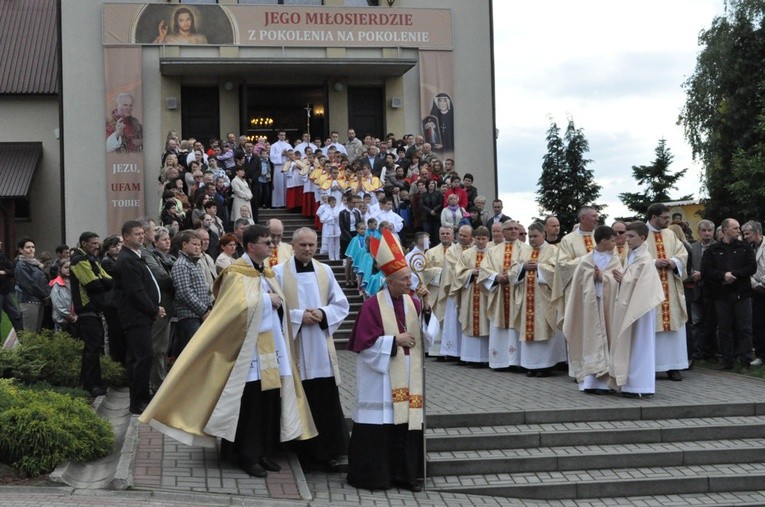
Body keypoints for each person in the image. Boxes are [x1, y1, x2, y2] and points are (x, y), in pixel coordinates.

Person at [139, 225, 317, 478]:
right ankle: (247, 455)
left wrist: (276, 303)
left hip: (271, 349)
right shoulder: (235, 273)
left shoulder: (266, 272)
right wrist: (269, 301)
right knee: (250, 406)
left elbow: (277, 305)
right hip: (248, 353)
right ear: (251, 246)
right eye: (266, 242)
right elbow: (235, 311)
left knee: (268, 403)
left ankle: (263, 452)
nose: (271, 246)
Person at [346, 228, 429, 492]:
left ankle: (407, 476)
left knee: (406, 427)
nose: (410, 284)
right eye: (405, 279)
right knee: (382, 427)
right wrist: (395, 341)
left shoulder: (412, 303)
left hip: (407, 374)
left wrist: (426, 307)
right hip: (381, 378)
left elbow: (427, 334)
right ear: (390, 280)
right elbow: (364, 346)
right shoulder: (372, 306)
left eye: (410, 279)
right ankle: (376, 477)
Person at [273, 228, 350, 472]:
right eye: (303, 245)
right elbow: (273, 307)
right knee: (299, 398)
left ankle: (330, 452)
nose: (308, 249)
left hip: (320, 347)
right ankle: (301, 453)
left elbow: (341, 304)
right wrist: (298, 317)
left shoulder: (324, 271)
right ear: (293, 246)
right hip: (294, 347)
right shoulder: (279, 273)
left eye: (312, 245)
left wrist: (323, 313)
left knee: (325, 400)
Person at [113, 221, 166, 415]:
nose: (141, 236)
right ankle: (138, 401)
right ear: (126, 237)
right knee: (141, 358)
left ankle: (142, 396)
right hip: (136, 317)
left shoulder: (136, 256)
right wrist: (153, 309)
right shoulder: (126, 259)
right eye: (137, 234)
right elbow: (136, 291)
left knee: (142, 357)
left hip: (142, 316)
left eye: (142, 233)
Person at [609, 221, 666, 398]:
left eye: (631, 236)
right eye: (627, 235)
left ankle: (641, 385)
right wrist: (624, 280)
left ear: (642, 238)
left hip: (640, 309)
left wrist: (623, 279)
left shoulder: (645, 259)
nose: (627, 239)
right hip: (631, 305)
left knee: (640, 346)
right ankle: (629, 384)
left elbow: (643, 285)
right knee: (630, 344)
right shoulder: (632, 255)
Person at [564, 225, 622, 394]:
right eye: (612, 240)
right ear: (603, 241)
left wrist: (603, 279)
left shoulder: (615, 258)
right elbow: (579, 285)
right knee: (590, 340)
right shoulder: (586, 261)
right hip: (589, 309)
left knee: (609, 340)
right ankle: (590, 382)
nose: (616, 243)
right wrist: (594, 278)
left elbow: (615, 278)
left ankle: (607, 382)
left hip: (608, 307)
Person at [701, 218, 756, 370]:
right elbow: (706, 270)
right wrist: (723, 275)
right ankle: (727, 361)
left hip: (742, 294)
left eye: (739, 228)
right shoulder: (713, 250)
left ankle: (746, 361)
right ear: (725, 230)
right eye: (735, 228)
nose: (739, 231)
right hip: (721, 295)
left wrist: (735, 274)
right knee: (724, 329)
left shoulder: (745, 248)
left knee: (745, 328)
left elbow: (752, 267)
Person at [514, 222, 567, 377]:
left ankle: (545, 366)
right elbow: (513, 270)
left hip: (545, 299)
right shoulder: (524, 251)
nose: (532, 239)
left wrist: (539, 267)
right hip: (527, 298)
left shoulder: (553, 251)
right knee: (529, 331)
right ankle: (530, 365)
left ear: (543, 235)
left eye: (535, 236)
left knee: (544, 329)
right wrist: (522, 268)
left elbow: (557, 271)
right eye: (530, 236)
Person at [645, 203, 689, 381]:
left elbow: (682, 254)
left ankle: (673, 366)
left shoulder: (670, 234)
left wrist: (674, 262)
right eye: (665, 218)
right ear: (654, 217)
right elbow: (631, 258)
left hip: (670, 287)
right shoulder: (641, 233)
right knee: (651, 327)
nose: (668, 221)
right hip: (650, 290)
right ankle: (651, 367)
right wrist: (653, 263)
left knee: (673, 327)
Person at [479, 221, 528, 370]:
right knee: (500, 325)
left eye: (515, 229)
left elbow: (526, 265)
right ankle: (500, 361)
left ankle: (517, 361)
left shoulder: (526, 249)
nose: (513, 231)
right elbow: (484, 269)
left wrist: (513, 275)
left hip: (517, 292)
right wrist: (495, 277)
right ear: (503, 231)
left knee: (516, 324)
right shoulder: (493, 250)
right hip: (499, 293)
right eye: (510, 229)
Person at [69, 232, 114, 397]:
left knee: (94, 347)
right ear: (83, 243)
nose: (97, 246)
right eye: (93, 243)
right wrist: (101, 281)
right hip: (87, 308)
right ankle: (91, 384)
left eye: (98, 243)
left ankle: (90, 382)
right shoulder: (79, 260)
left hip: (94, 309)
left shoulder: (92, 260)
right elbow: (93, 284)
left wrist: (101, 281)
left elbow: (109, 281)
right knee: (92, 347)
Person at [452, 226, 491, 366]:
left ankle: (486, 358)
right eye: (478, 238)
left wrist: (485, 273)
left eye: (483, 239)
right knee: (470, 321)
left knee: (485, 322)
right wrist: (471, 273)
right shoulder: (466, 254)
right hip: (470, 293)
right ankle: (470, 357)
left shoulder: (492, 253)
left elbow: (496, 271)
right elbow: (458, 273)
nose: (480, 241)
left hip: (486, 294)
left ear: (488, 239)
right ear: (473, 239)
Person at [170, 230, 212, 358]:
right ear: (184, 245)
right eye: (194, 244)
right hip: (190, 316)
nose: (198, 247)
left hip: (199, 314)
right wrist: (204, 310)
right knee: (193, 354)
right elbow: (184, 293)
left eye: (199, 245)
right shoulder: (182, 265)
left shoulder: (194, 263)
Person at [689, 219, 718, 362]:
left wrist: (703, 274)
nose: (707, 233)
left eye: (709, 230)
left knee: (712, 323)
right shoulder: (692, 247)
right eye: (704, 230)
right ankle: (696, 353)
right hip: (696, 291)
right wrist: (693, 274)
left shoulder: (718, 247)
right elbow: (686, 267)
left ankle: (711, 353)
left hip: (712, 291)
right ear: (698, 232)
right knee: (697, 322)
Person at [14, 237, 50, 333]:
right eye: (28, 247)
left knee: (36, 333)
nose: (31, 249)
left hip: (39, 301)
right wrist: (45, 295)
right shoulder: (21, 265)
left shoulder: (36, 264)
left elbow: (43, 282)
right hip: (28, 302)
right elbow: (29, 284)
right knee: (30, 334)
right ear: (21, 250)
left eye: (33, 247)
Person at [743, 221, 765, 367]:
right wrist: (755, 284)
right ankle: (761, 355)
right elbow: (746, 269)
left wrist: (762, 283)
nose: (745, 237)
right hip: (756, 290)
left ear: (757, 232)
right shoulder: (748, 248)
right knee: (758, 324)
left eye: (747, 233)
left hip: (763, 285)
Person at [0, 240, 23, 334]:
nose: (1, 243)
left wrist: (4, 272)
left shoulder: (2, 256)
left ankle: (23, 339)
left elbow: (13, 270)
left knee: (15, 315)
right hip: (4, 290)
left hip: (6, 290)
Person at [49, 260, 76, 334]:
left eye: (70, 267)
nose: (68, 270)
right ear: (60, 269)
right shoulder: (56, 284)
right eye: (66, 267)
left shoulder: (74, 282)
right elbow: (57, 304)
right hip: (62, 320)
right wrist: (69, 316)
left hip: (75, 318)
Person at [269, 131, 292, 208]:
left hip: (287, 166)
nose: (283, 136)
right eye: (281, 135)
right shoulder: (274, 146)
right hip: (278, 167)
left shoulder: (288, 145)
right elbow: (272, 157)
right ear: (278, 136)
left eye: (284, 135)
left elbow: (293, 155)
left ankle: (287, 203)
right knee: (278, 185)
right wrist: (281, 154)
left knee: (287, 184)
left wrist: (288, 155)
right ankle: (278, 203)